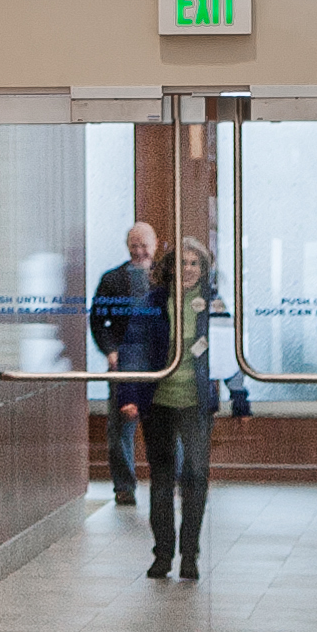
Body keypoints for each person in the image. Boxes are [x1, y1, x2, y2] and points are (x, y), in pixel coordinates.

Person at [139, 237, 220, 583]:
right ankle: (162, 554)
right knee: (161, 478)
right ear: (168, 268)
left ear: (203, 269)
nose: (187, 270)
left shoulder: (215, 304)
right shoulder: (152, 301)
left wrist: (239, 392)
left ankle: (190, 554)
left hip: (196, 402)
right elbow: (135, 348)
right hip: (158, 401)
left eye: (194, 263)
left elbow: (228, 352)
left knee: (197, 476)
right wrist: (129, 393)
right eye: (180, 263)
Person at [84, 219, 168, 514]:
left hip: (159, 364)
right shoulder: (112, 280)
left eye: (145, 245)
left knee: (165, 425)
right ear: (127, 246)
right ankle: (124, 488)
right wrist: (110, 351)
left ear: (155, 245)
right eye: (135, 245)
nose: (140, 251)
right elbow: (98, 320)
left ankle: (173, 482)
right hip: (123, 364)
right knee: (120, 429)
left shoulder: (167, 278)